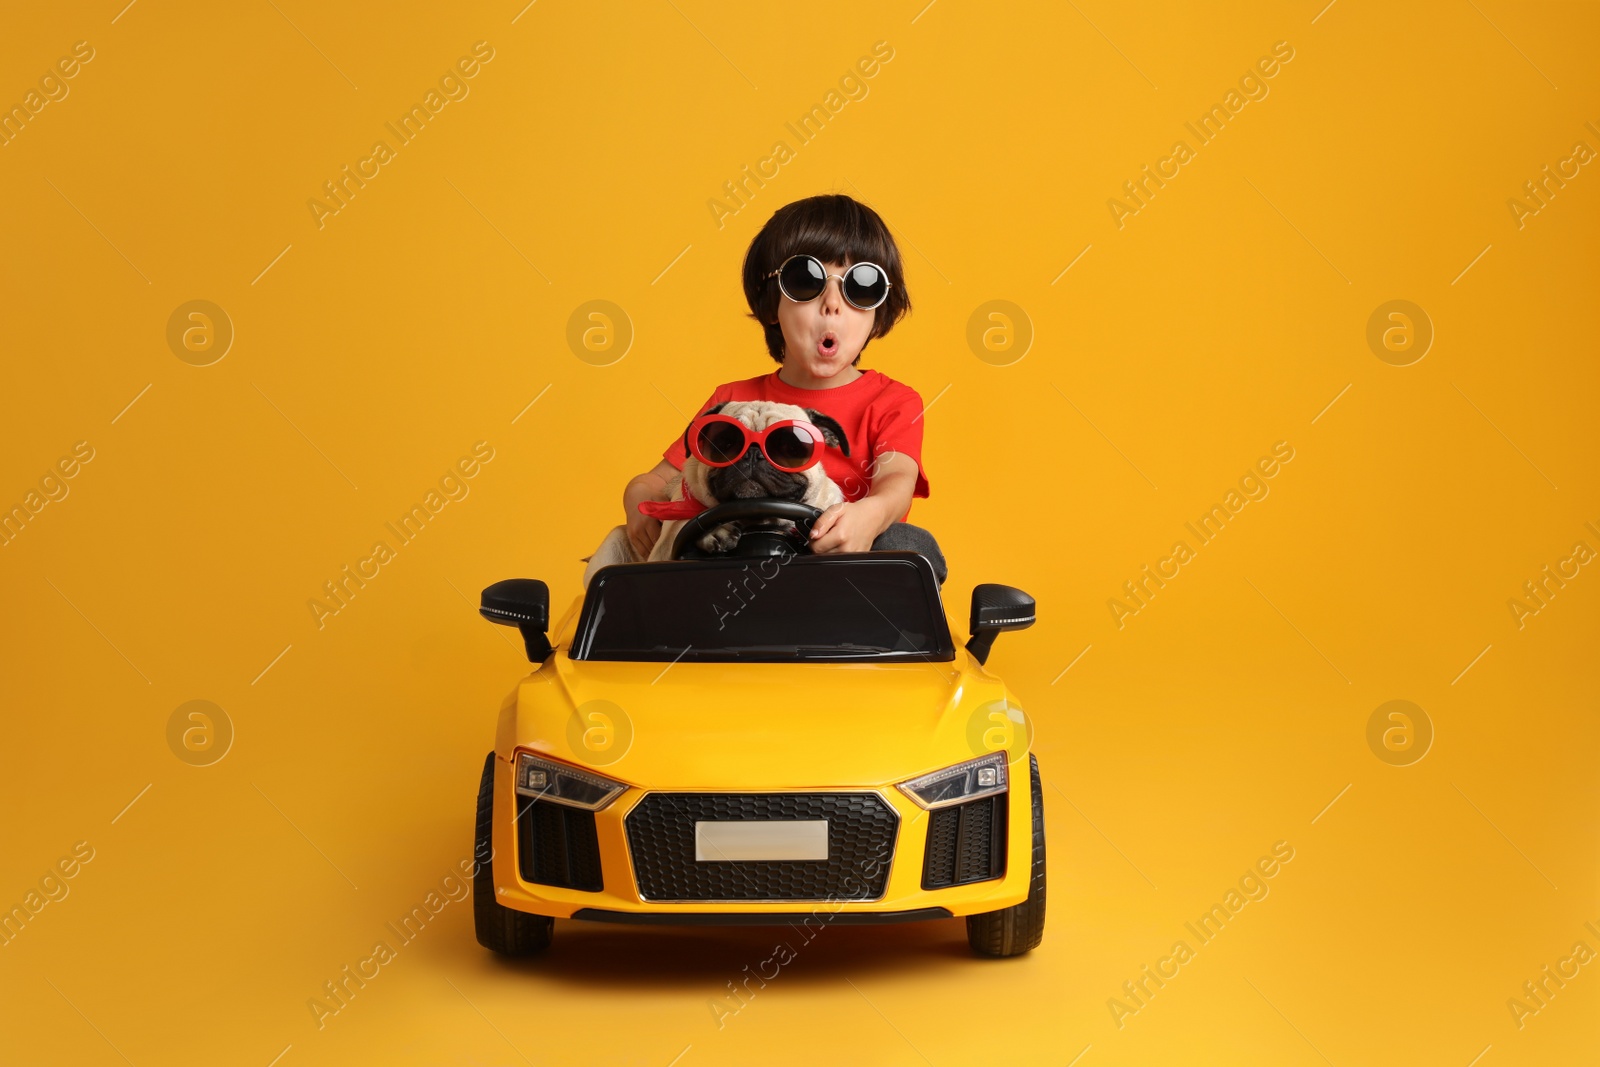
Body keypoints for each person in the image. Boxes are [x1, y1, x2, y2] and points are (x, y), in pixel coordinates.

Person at [621, 193, 946, 583]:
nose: (832, 305)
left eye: (860, 286)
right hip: (732, 573)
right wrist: (638, 500)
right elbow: (656, 481)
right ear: (772, 302)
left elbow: (897, 483)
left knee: (910, 543)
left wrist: (870, 516)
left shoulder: (892, 401)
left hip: (845, 578)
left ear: (880, 312)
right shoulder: (733, 401)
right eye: (805, 281)